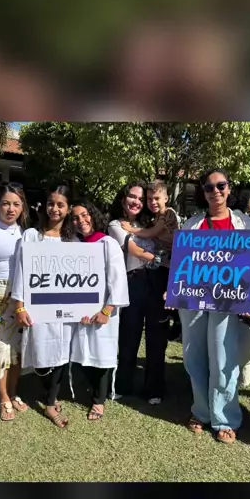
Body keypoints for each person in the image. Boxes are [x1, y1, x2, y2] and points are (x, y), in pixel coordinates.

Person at [178, 169, 250, 442]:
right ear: (203, 192)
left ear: (229, 188)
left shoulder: (244, 222)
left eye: (220, 185)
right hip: (193, 299)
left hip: (227, 301)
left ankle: (225, 418)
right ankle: (201, 411)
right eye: (209, 187)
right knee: (193, 356)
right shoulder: (193, 224)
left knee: (223, 358)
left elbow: (248, 264)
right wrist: (173, 290)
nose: (215, 191)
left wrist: (249, 295)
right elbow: (182, 262)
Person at [11, 183, 76, 429]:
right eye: (51, 203)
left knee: (62, 352)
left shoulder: (73, 241)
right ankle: (49, 393)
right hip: (37, 306)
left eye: (61, 205)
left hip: (65, 308)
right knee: (40, 351)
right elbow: (21, 271)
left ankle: (50, 402)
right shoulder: (31, 236)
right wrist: (20, 306)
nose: (55, 209)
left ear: (68, 208)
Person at [108, 181, 169, 404]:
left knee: (157, 337)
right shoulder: (116, 225)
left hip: (157, 281)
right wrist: (161, 260)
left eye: (141, 199)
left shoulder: (151, 223)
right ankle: (123, 385)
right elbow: (133, 250)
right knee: (129, 335)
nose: (137, 202)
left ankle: (154, 390)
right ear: (123, 199)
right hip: (132, 282)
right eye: (132, 196)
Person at [70, 200, 129, 419]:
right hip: (80, 309)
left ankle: (99, 400)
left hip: (103, 308)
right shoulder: (73, 244)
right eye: (75, 218)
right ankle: (91, 389)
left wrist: (107, 310)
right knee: (82, 351)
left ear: (93, 215)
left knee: (101, 353)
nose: (81, 221)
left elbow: (118, 280)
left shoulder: (107, 243)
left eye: (85, 215)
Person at [0, 183, 30, 421]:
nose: (11, 209)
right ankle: (3, 397)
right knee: (0, 346)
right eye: (6, 203)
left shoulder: (26, 232)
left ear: (22, 207)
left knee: (17, 348)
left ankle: (13, 392)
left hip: (18, 296)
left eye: (16, 204)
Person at [120, 180, 180, 267]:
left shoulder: (168, 213)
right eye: (149, 199)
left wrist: (131, 229)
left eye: (157, 198)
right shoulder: (155, 217)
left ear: (166, 199)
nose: (153, 202)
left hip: (171, 256)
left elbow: (152, 233)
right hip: (161, 256)